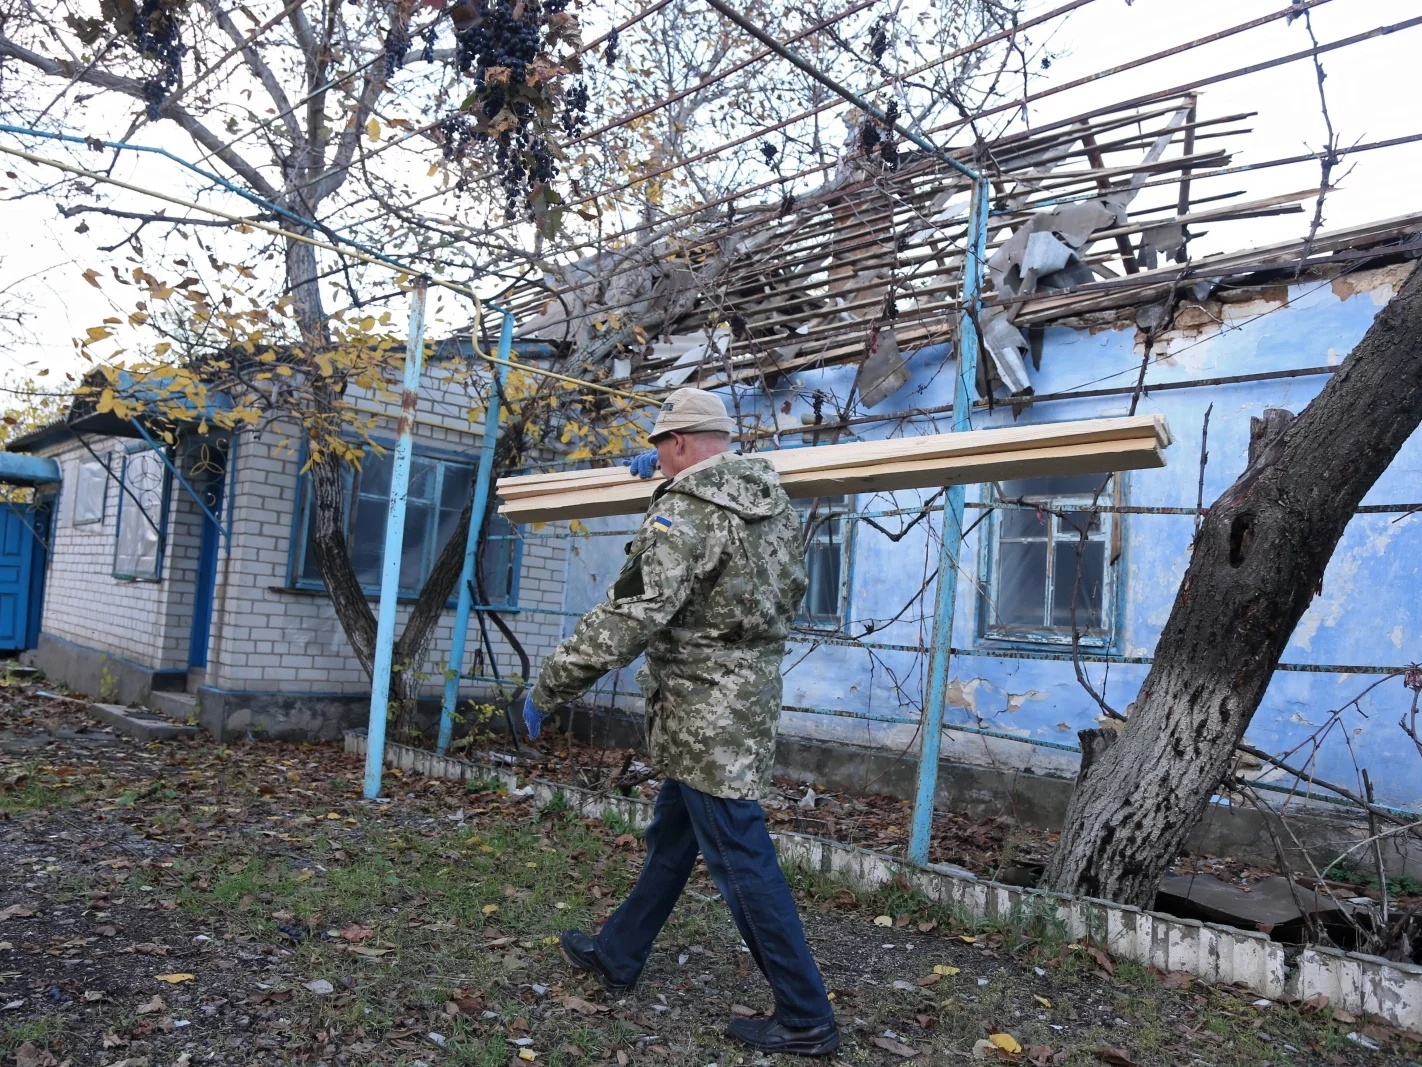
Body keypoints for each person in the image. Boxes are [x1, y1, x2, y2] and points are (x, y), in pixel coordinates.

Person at [522, 387, 839, 1057]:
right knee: (674, 835)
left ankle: (806, 1014)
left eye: (662, 446)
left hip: (702, 717)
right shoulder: (772, 501)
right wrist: (668, 490)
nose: (657, 459)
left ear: (680, 444)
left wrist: (551, 684)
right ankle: (619, 951)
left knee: (743, 860)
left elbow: (631, 612)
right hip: (745, 699)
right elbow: (776, 591)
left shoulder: (687, 512)